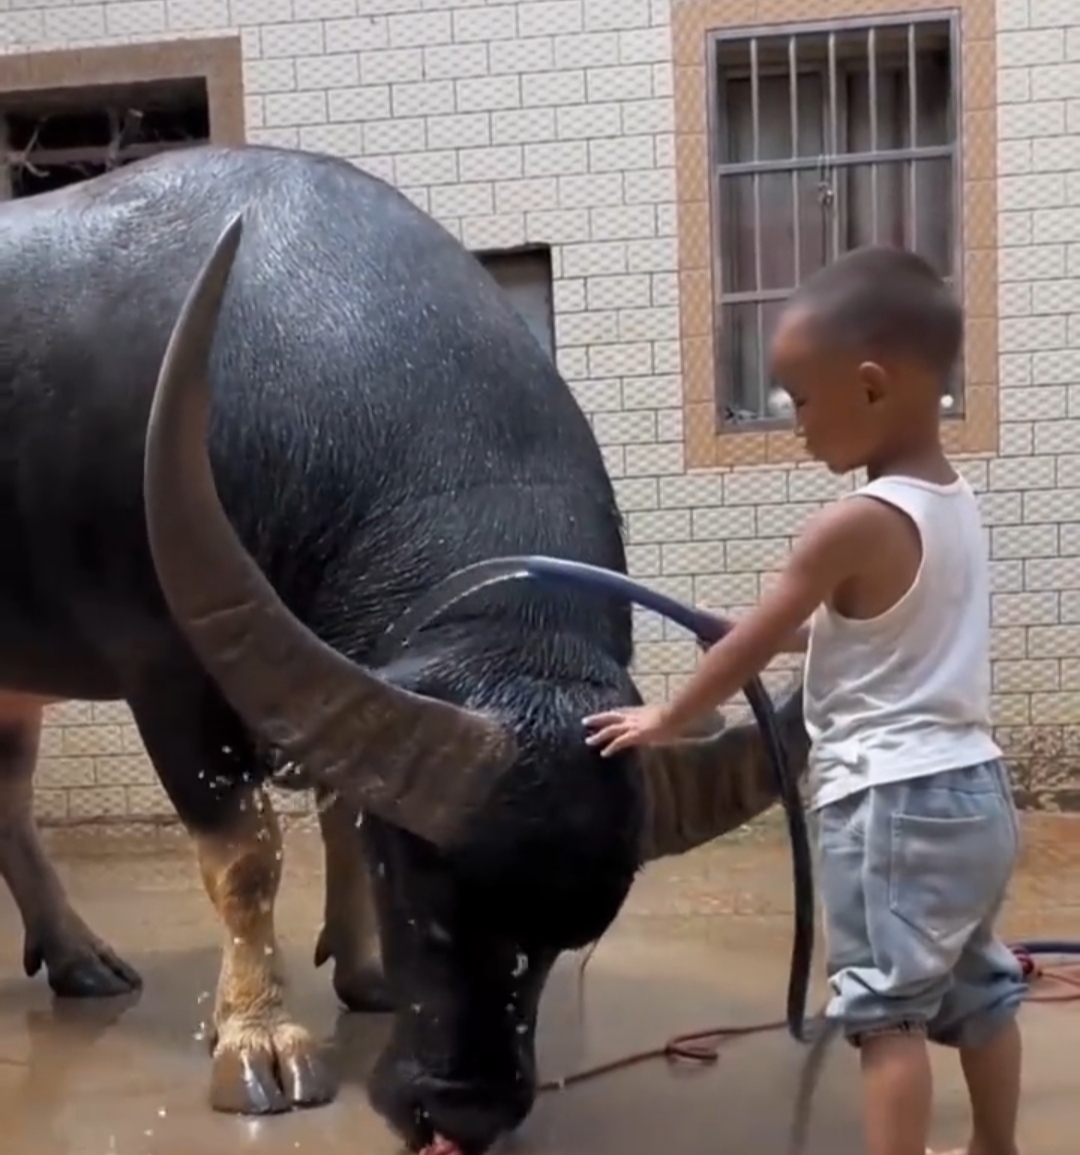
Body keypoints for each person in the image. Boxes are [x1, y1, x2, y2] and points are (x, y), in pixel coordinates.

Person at [583, 245, 1026, 1155]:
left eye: (802, 399)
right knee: (979, 987)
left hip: (889, 805)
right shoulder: (953, 501)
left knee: (885, 1015)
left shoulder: (850, 522)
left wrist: (667, 715)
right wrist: (747, 627)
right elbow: (862, 622)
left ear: (871, 386)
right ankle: (996, 1148)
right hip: (975, 794)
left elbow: (763, 636)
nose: (793, 423)